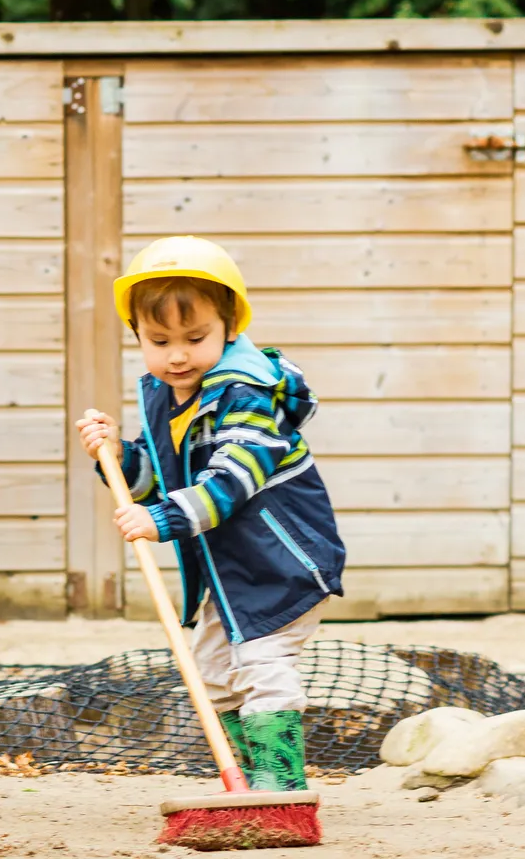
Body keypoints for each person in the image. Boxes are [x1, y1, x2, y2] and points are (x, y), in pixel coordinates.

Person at [76, 236, 346, 792]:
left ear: (230, 328)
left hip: (281, 562)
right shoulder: (167, 393)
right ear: (138, 337)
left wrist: (161, 521)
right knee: (214, 673)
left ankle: (280, 784)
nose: (177, 355)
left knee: (263, 665)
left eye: (196, 338)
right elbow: (158, 474)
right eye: (159, 340)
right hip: (226, 572)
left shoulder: (248, 395)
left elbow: (232, 480)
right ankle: (246, 786)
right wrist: (120, 458)